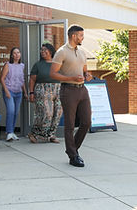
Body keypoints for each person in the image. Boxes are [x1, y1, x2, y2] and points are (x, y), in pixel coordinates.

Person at [50, 24, 92, 167]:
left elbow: (85, 70)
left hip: (82, 90)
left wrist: (87, 75)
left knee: (86, 122)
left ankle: (73, 149)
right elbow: (53, 73)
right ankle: (73, 156)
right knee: (70, 124)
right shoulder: (61, 52)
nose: (82, 38)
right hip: (68, 90)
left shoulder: (81, 52)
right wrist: (71, 78)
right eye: (80, 35)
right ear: (73, 36)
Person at [28, 43, 63, 144]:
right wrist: (31, 93)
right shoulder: (38, 65)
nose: (42, 52)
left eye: (45, 50)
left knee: (58, 113)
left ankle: (51, 134)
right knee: (46, 114)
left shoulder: (57, 64)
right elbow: (32, 80)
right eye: (41, 50)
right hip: (43, 90)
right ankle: (34, 133)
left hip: (58, 90)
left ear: (51, 51)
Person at [0, 47, 28, 141]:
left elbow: (22, 80)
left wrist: (25, 92)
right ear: (12, 55)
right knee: (11, 111)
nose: (17, 55)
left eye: (18, 53)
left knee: (15, 112)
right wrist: (6, 91)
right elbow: (2, 78)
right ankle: (9, 132)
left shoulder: (22, 66)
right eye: (15, 53)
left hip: (18, 92)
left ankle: (12, 132)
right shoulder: (8, 65)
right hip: (9, 91)